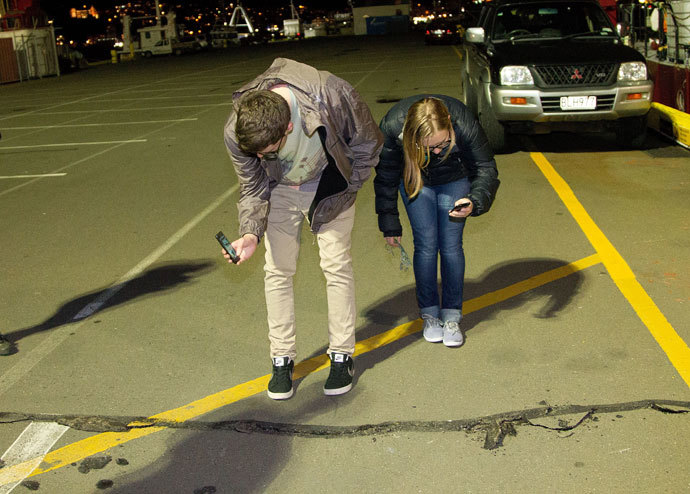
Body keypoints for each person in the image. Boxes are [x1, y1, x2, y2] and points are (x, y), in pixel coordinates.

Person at [222, 58, 383, 400]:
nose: (263, 156)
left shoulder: (331, 94)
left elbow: (369, 144)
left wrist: (348, 186)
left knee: (336, 266)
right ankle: (281, 359)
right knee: (277, 271)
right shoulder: (238, 131)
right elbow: (252, 186)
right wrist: (250, 233)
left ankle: (341, 355)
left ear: (289, 128)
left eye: (269, 150)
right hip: (279, 189)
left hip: (329, 182)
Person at [374, 95, 499, 347]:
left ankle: (452, 315)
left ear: (450, 124)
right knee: (426, 245)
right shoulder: (392, 127)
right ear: (410, 137)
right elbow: (385, 176)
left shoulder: (464, 122)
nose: (438, 151)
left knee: (451, 246)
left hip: (455, 179)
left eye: (443, 143)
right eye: (428, 147)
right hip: (416, 179)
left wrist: (474, 201)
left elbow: (485, 167)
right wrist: (389, 222)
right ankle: (430, 314)